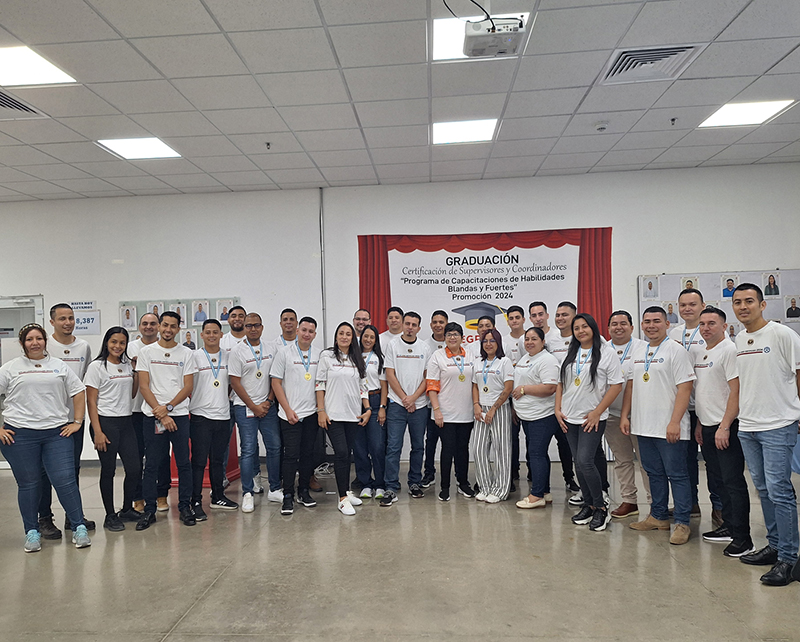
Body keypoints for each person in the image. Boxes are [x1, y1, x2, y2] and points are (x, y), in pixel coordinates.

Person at [0, 324, 91, 552]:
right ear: (22, 343)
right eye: (29, 339)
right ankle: (32, 532)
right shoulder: (10, 368)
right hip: (20, 435)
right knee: (29, 484)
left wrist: (77, 421)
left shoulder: (58, 365)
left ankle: (79, 527)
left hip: (56, 434)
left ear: (45, 341)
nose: (35, 343)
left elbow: (78, 391)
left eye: (39, 338)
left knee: (65, 480)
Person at [732, 283, 800, 586]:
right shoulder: (739, 338)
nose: (743, 306)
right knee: (763, 488)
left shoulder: (782, 334)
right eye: (737, 302)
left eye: (749, 301)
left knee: (779, 490)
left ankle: (789, 559)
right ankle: (774, 546)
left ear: (762, 305)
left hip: (777, 424)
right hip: (748, 426)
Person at [622, 306, 695, 546]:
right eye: (647, 321)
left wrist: (674, 421)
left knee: (678, 475)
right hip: (643, 426)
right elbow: (631, 385)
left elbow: (685, 387)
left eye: (656, 321)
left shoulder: (676, 350)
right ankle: (659, 516)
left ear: (667, 324)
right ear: (642, 325)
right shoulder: (639, 351)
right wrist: (625, 416)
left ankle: (682, 522)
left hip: (669, 427)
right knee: (653, 473)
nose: (651, 325)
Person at [693, 307, 753, 557]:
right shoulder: (702, 352)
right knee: (718, 481)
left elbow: (735, 391)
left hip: (725, 427)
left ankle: (743, 538)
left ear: (724, 326)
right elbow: (705, 392)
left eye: (712, 323)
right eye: (702, 324)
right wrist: (700, 424)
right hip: (707, 427)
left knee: (733, 482)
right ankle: (728, 526)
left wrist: (725, 426)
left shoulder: (729, 350)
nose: (706, 328)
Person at [556, 314, 623, 531]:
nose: (581, 331)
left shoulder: (606, 353)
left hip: (591, 418)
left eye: (585, 326)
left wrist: (597, 412)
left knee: (585, 461)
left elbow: (616, 385)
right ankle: (588, 503)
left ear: (593, 328)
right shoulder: (571, 352)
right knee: (578, 462)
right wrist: (557, 409)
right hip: (569, 417)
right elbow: (561, 383)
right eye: (576, 328)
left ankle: (601, 507)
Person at [135, 311, 197, 530]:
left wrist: (169, 408)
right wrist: (161, 413)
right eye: (165, 325)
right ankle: (149, 510)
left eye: (173, 326)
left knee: (183, 463)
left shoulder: (186, 353)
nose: (168, 329)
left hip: (179, 415)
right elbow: (144, 386)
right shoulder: (146, 352)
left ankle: (185, 507)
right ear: (160, 326)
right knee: (152, 464)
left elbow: (188, 386)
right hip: (153, 416)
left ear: (178, 329)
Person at [39, 303, 94, 539]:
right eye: (62, 318)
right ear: (52, 322)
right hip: (47, 420)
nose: (68, 322)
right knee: (44, 472)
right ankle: (44, 518)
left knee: (72, 470)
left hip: (73, 420)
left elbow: (83, 382)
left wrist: (80, 419)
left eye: (71, 318)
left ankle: (73, 517)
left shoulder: (83, 346)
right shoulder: (44, 346)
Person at [85, 326, 141, 532]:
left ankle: (126, 509)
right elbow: (91, 401)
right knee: (108, 471)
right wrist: (98, 432)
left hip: (126, 423)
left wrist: (135, 372)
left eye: (122, 343)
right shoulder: (97, 367)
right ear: (106, 343)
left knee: (134, 468)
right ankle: (109, 515)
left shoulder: (127, 365)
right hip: (105, 423)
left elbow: (132, 394)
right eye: (114, 342)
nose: (118, 346)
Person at [669, 287, 717, 521]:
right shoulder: (673, 334)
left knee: (713, 461)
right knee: (685, 460)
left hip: (707, 406)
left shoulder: (710, 332)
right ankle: (690, 504)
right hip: (682, 407)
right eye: (683, 305)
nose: (687, 309)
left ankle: (719, 508)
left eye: (692, 304)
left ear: (702, 306)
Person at [316, 322, 370, 515]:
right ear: (336, 336)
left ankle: (346, 492)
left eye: (348, 334)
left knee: (346, 454)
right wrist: (321, 410)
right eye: (341, 333)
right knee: (340, 453)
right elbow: (320, 384)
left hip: (353, 415)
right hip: (333, 415)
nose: (345, 337)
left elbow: (363, 386)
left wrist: (367, 408)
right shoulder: (327, 356)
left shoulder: (357, 358)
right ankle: (342, 499)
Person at [229, 313, 281, 512]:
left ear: (262, 327)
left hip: (268, 407)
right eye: (249, 326)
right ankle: (247, 493)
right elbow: (235, 382)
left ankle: (274, 488)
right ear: (244, 328)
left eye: (256, 325)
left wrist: (268, 401)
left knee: (274, 446)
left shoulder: (271, 348)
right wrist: (253, 406)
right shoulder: (237, 351)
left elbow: (276, 377)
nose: (253, 329)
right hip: (245, 408)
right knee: (249, 449)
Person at [271, 317, 321, 515]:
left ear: (315, 335)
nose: (307, 334)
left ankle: (303, 491)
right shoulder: (284, 353)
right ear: (298, 330)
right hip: (289, 414)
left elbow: (321, 383)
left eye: (311, 331)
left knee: (308, 454)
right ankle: (288, 495)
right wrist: (287, 409)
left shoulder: (319, 355)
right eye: (304, 330)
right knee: (291, 455)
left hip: (311, 414)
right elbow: (276, 383)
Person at [189, 320, 238, 518]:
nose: (211, 335)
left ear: (221, 335)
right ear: (202, 335)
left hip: (223, 415)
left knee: (218, 460)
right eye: (208, 332)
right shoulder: (194, 356)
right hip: (200, 415)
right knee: (199, 461)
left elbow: (232, 382)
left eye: (215, 332)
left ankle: (218, 496)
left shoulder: (229, 356)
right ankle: (195, 500)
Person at [605, 311, 651, 519]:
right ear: (608, 328)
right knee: (622, 460)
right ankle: (629, 501)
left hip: (640, 415)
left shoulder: (643, 348)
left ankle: (654, 503)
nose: (618, 327)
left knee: (646, 461)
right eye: (614, 324)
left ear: (632, 327)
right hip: (612, 414)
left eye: (623, 323)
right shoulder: (603, 350)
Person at [382, 311, 431, 506]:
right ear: (402, 325)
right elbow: (389, 374)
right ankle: (391, 486)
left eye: (414, 325)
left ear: (419, 328)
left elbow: (428, 377)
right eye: (407, 323)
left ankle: (414, 483)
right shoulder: (393, 345)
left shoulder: (424, 347)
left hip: (419, 405)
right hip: (397, 404)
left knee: (418, 446)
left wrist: (413, 398)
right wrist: (404, 398)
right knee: (393, 446)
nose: (410, 327)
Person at [427, 322, 476, 501]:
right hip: (445, 413)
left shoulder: (470, 354)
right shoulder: (437, 356)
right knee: (447, 449)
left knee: (463, 449)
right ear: (445, 338)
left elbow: (475, 382)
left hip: (466, 412)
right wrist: (437, 411)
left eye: (456, 334)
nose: (452, 337)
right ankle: (445, 486)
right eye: (449, 334)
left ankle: (463, 483)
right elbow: (431, 386)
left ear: (462, 337)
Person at [513, 327, 559, 509]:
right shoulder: (525, 358)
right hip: (527, 415)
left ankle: (537, 495)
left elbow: (550, 387)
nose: (529, 342)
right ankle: (545, 492)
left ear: (543, 341)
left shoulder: (548, 360)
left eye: (534, 339)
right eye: (527, 339)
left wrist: (524, 389)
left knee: (536, 454)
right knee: (539, 454)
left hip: (542, 416)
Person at [128, 312, 169, 513]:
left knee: (160, 456)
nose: (149, 327)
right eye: (145, 323)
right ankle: (138, 498)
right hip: (135, 411)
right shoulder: (130, 348)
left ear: (159, 326)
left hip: (158, 412)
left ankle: (161, 495)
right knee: (137, 457)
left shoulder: (166, 348)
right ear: (139, 327)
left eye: (153, 323)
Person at [471, 328, 514, 503]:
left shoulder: (505, 362)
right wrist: (476, 405)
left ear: (498, 343)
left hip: (499, 409)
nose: (488, 344)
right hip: (481, 410)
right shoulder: (478, 362)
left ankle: (500, 490)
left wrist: (494, 409)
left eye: (492, 340)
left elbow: (508, 388)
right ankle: (485, 487)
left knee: (501, 451)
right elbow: (475, 385)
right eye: (485, 341)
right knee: (478, 449)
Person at [352, 324, 388, 499]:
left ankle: (380, 484)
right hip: (355, 403)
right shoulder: (352, 357)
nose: (368, 340)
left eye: (372, 337)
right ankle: (365, 483)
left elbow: (384, 386)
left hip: (375, 401)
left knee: (377, 446)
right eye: (365, 336)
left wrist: (382, 407)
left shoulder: (380, 358)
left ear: (376, 340)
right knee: (359, 447)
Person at [421, 310, 448, 488]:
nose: (438, 325)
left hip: (450, 403)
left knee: (449, 443)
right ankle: (429, 473)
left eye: (441, 322)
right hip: (430, 403)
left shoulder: (453, 342)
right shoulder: (424, 345)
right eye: (435, 322)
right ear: (431, 325)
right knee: (430, 441)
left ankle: (452, 475)